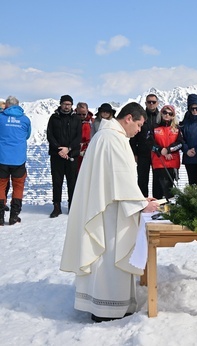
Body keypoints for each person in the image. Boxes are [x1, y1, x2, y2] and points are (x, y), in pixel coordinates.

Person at [60, 102, 160, 322]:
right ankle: (107, 309)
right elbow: (120, 178)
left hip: (107, 204)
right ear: (128, 119)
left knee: (105, 258)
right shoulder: (112, 139)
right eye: (139, 124)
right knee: (108, 256)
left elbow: (117, 180)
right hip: (110, 212)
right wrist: (142, 204)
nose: (139, 130)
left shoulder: (108, 136)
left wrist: (140, 199)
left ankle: (106, 305)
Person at [47, 94, 82, 217]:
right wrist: (59, 149)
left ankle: (72, 206)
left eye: (69, 104)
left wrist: (69, 149)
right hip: (57, 155)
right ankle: (56, 207)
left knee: (72, 181)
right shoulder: (54, 118)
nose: (66, 106)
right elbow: (50, 135)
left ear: (72, 105)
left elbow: (78, 137)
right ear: (60, 104)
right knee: (57, 181)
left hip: (72, 154)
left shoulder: (76, 119)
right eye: (64, 104)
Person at [0, 96, 31, 226]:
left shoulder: (1, 118)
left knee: (1, 185)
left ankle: (0, 217)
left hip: (2, 157)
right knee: (18, 186)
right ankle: (14, 216)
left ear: (7, 105)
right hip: (19, 158)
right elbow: (27, 135)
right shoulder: (25, 119)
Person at [130, 93, 161, 198]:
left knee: (158, 180)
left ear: (157, 103)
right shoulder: (141, 116)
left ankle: (157, 202)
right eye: (149, 102)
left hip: (157, 153)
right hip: (143, 153)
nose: (151, 104)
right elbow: (134, 136)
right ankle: (142, 202)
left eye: (153, 102)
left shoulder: (161, 116)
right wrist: (134, 152)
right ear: (145, 103)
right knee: (142, 179)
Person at [151, 105, 184, 199]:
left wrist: (169, 150)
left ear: (173, 116)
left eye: (170, 114)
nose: (167, 115)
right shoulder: (154, 127)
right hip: (158, 162)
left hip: (172, 163)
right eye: (165, 112)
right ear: (161, 113)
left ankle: (170, 211)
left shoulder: (177, 128)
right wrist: (161, 150)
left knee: (169, 192)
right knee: (157, 191)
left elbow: (180, 143)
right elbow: (150, 142)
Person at [76, 102, 93, 172]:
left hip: (88, 149)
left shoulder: (92, 122)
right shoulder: (72, 120)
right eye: (79, 114)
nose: (81, 116)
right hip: (76, 150)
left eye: (84, 114)